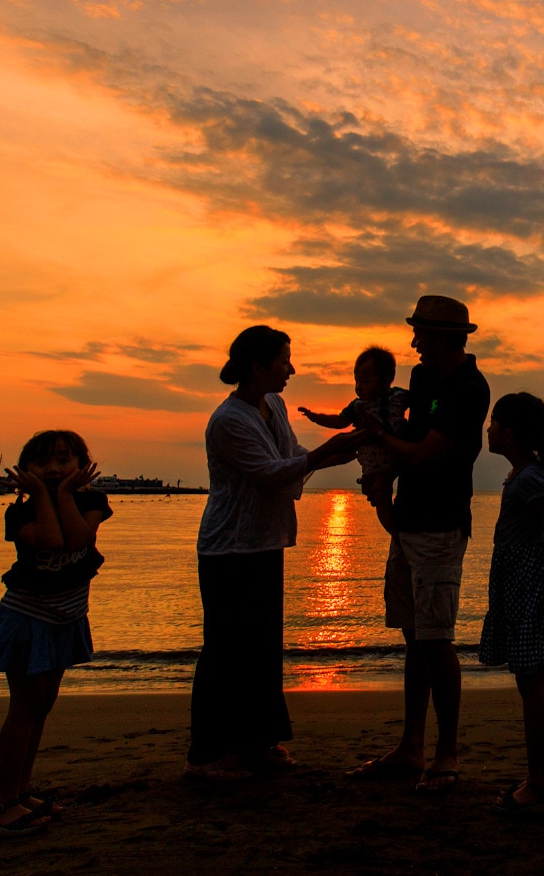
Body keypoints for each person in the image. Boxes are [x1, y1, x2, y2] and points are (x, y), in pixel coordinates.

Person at [187, 325, 361, 781]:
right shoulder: (228, 420)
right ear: (257, 366)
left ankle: (257, 742)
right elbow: (268, 472)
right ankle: (207, 753)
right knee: (225, 651)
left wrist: (337, 452)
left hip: (265, 542)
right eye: (284, 360)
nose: (291, 369)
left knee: (261, 648)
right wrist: (326, 454)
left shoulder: (275, 406)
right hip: (229, 548)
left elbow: (292, 454)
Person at [348, 295, 491, 793]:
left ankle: (446, 752)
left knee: (435, 638)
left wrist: (378, 441)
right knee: (414, 636)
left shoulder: (470, 388)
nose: (413, 343)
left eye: (421, 335)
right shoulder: (423, 377)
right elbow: (407, 434)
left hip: (440, 524)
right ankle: (411, 746)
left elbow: (428, 454)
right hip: (409, 518)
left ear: (445, 339)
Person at [0, 430, 110, 835]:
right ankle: (1, 805)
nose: (53, 469)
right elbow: (52, 539)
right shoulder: (20, 513)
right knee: (24, 708)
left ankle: (20, 792)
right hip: (27, 620)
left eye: (64, 460)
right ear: (24, 471)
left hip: (66, 618)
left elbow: (81, 538)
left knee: (43, 706)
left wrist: (66, 495)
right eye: (41, 462)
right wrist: (53, 497)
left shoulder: (93, 502)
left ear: (82, 465)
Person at [477, 392, 544, 815]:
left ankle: (540, 785)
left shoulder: (530, 478)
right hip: (521, 585)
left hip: (528, 587)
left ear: (510, 433)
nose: (489, 428)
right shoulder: (522, 474)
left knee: (532, 684)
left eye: (494, 422)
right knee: (536, 682)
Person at [297, 346, 408, 514]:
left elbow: (423, 403)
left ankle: (401, 532)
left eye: (365, 381)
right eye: (356, 381)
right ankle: (397, 535)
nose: (358, 387)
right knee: (380, 497)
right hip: (375, 465)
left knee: (389, 493)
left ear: (387, 379)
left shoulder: (399, 396)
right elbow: (339, 422)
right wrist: (316, 417)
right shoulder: (358, 406)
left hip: (400, 455)